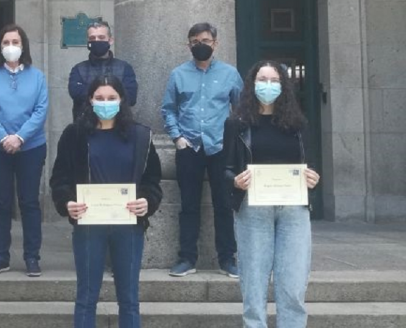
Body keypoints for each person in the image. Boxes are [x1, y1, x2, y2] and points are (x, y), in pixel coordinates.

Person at [50, 75, 162, 328]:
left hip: (129, 226)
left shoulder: (140, 136)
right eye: (99, 98)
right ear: (90, 100)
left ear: (122, 99)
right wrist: (67, 202)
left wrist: (147, 201)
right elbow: (59, 179)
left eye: (111, 98)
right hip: (89, 225)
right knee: (86, 297)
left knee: (129, 299)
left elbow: (152, 179)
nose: (105, 103)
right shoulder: (75, 134)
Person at [224, 60, 320, 328]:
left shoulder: (298, 125)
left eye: (274, 80)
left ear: (284, 86)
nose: (268, 86)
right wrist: (236, 181)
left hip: (294, 211)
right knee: (254, 287)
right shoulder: (237, 124)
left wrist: (312, 176)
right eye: (262, 80)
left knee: (293, 286)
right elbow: (225, 170)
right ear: (252, 85)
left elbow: (308, 164)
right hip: (253, 210)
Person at [161, 22, 242, 278]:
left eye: (205, 41)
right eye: (195, 41)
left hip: (220, 148)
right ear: (189, 45)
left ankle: (227, 259)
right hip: (190, 147)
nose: (200, 45)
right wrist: (177, 138)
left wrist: (234, 143)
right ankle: (186, 258)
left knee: (223, 204)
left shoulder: (230, 74)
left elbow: (240, 110)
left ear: (215, 43)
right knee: (189, 205)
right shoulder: (178, 74)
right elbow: (168, 109)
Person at [0, 24, 49, 277]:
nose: (11, 47)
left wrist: (19, 137)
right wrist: (3, 137)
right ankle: (1, 256)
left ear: (23, 45)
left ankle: (32, 256)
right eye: (6, 42)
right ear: (0, 46)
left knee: (29, 202)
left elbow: (40, 111)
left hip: (30, 146)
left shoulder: (37, 76)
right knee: (0, 203)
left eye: (15, 42)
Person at [68, 20, 138, 120]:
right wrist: (114, 94)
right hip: (85, 128)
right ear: (88, 42)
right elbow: (77, 95)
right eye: (92, 38)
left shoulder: (124, 68)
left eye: (101, 37)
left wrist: (92, 93)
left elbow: (131, 98)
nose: (96, 41)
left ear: (110, 40)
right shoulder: (78, 69)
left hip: (119, 128)